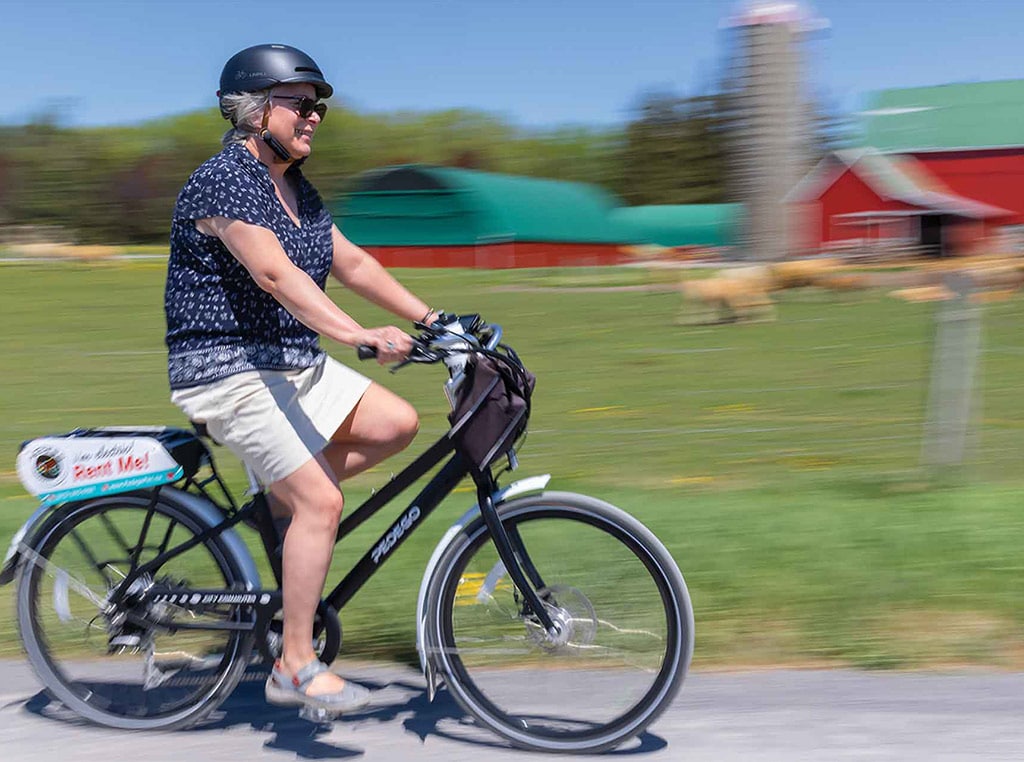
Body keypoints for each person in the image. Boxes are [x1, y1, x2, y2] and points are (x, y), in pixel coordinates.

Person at [164, 43, 439, 713]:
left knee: (397, 422)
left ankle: (282, 501)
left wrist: (438, 319)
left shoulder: (298, 188)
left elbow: (355, 266)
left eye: (320, 108)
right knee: (321, 502)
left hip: (293, 365)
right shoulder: (224, 178)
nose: (315, 117)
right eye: (302, 104)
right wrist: (359, 335)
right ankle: (294, 662)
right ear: (256, 110)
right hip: (227, 369)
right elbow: (274, 274)